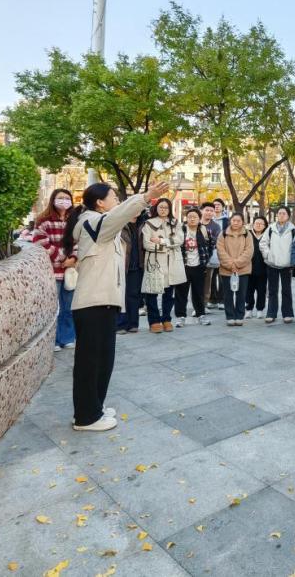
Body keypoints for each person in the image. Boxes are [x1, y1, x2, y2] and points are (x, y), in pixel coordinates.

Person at [64, 180, 169, 432]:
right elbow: (120, 215)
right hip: (93, 302)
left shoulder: (102, 224)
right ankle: (86, 417)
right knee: (91, 363)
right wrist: (146, 197)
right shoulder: (92, 221)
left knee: (103, 360)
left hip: (105, 301)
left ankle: (95, 407)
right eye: (113, 197)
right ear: (100, 202)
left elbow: (119, 217)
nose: (117, 202)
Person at [32, 188, 78, 351]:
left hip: (70, 271)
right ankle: (55, 340)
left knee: (69, 307)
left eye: (67, 198)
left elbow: (79, 241)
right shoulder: (43, 220)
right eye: (60, 198)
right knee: (54, 308)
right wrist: (63, 258)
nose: (64, 200)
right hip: (52, 271)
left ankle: (68, 337)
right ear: (53, 200)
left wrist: (73, 258)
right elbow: (41, 243)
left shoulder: (75, 220)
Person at [141, 198, 185, 332]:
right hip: (155, 262)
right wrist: (167, 247)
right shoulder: (149, 224)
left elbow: (180, 240)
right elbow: (147, 244)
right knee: (152, 292)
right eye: (161, 207)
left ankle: (166, 319)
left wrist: (162, 241)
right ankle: (154, 321)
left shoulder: (175, 223)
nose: (163, 210)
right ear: (156, 208)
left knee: (169, 293)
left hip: (172, 263)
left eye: (166, 207)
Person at [176, 207, 213, 326]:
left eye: (195, 217)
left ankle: (201, 315)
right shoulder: (180, 230)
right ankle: (181, 317)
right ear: (186, 218)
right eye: (190, 217)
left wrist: (205, 259)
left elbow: (210, 245)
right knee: (181, 293)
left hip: (199, 266)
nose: (192, 219)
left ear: (199, 218)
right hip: (183, 266)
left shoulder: (204, 230)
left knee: (199, 293)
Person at [260, 206, 295, 324]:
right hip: (272, 263)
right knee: (272, 290)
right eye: (279, 213)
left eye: (283, 213)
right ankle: (271, 314)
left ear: (288, 216)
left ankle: (287, 314)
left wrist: (292, 260)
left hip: (287, 265)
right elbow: (263, 243)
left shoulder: (293, 230)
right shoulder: (271, 228)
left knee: (286, 290)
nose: (281, 215)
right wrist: (268, 255)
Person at [116, 204, 148, 335]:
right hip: (122, 265)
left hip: (137, 265)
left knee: (134, 295)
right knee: (121, 295)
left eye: (138, 209)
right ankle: (120, 324)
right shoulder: (120, 224)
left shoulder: (143, 224)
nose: (135, 211)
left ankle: (133, 324)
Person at [217, 212, 253, 326]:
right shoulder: (223, 234)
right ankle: (230, 316)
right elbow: (220, 251)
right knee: (227, 294)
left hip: (243, 269)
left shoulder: (247, 234)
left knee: (241, 294)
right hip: (226, 269)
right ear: (230, 221)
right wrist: (230, 265)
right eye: (234, 220)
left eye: (238, 221)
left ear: (242, 222)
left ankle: (239, 316)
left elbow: (249, 251)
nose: (236, 223)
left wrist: (237, 264)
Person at [201, 202, 223, 309]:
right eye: (207, 210)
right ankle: (197, 304)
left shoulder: (215, 226)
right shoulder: (196, 223)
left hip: (208, 258)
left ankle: (204, 304)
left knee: (207, 282)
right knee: (195, 283)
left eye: (211, 211)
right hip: (193, 258)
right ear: (202, 211)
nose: (209, 212)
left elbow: (215, 241)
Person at [246, 216, 269, 319]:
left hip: (263, 269)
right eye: (256, 223)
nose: (258, 225)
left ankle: (260, 309)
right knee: (249, 290)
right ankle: (249, 309)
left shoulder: (267, 236)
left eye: (261, 223)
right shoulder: (248, 234)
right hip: (249, 268)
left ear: (265, 226)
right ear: (253, 224)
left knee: (261, 290)